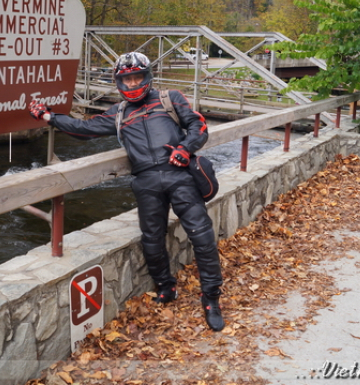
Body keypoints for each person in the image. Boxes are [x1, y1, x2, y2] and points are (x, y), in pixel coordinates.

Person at [29, 51, 225, 331]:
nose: (132, 84)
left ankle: (211, 299)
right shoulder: (119, 113)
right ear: (119, 82)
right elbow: (84, 129)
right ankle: (166, 289)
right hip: (145, 182)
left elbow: (199, 125)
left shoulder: (170, 98)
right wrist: (49, 116)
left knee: (202, 236)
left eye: (137, 78)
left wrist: (185, 148)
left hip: (180, 175)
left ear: (147, 77)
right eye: (127, 79)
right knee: (152, 241)